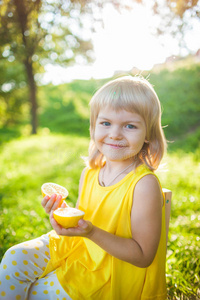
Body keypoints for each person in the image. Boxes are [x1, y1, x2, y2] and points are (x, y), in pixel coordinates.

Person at [0, 76, 168, 300]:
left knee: (35, 294)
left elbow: (143, 255)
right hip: (79, 248)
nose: (115, 133)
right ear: (93, 126)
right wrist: (63, 213)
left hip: (109, 273)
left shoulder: (143, 184)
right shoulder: (90, 172)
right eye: (106, 123)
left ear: (148, 134)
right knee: (14, 259)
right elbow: (86, 218)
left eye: (130, 126)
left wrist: (90, 232)